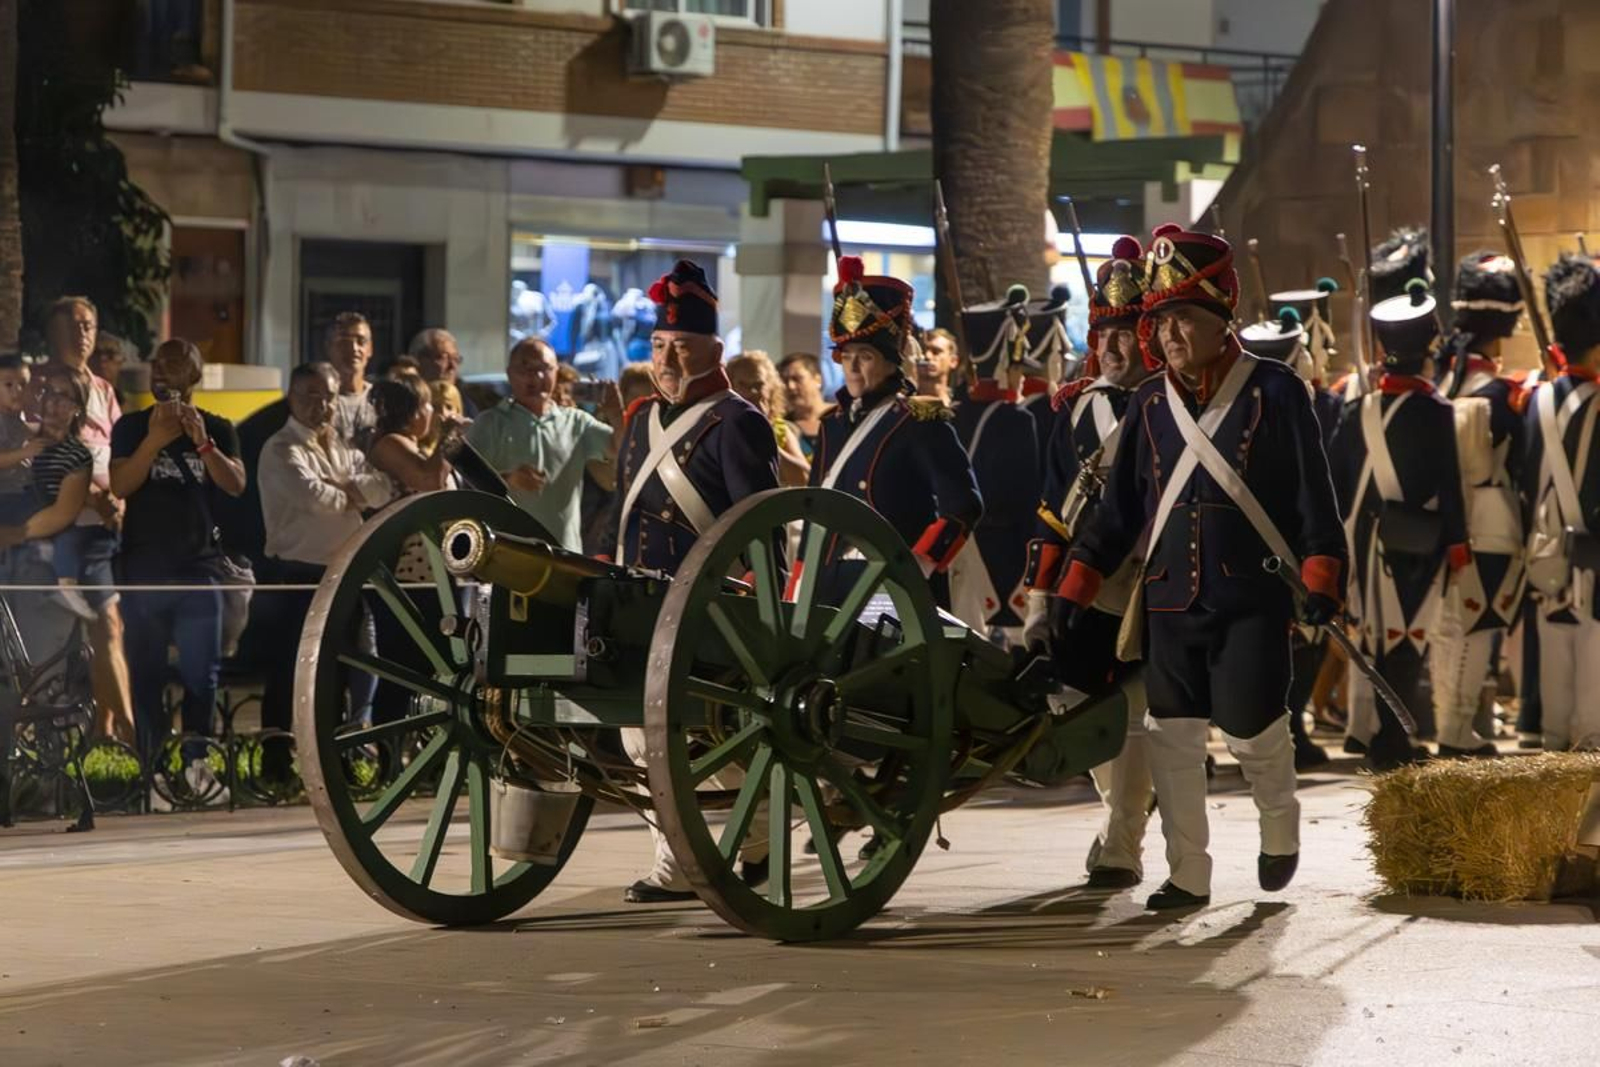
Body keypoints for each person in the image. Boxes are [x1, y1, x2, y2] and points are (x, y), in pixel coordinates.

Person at [1056, 223, 1347, 910]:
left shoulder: (1274, 390)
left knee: (1252, 727)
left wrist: (1321, 576)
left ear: (1222, 317)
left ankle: (1280, 825)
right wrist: (1078, 580)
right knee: (1172, 739)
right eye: (1161, 321)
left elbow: (1313, 494)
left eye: (1184, 318)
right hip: (1167, 600)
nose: (1168, 335)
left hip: (1250, 595)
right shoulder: (1151, 403)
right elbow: (1119, 509)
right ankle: (1188, 871)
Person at [608, 258, 778, 903]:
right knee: (641, 735)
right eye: (659, 346)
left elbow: (760, 524)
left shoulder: (736, 422)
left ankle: (695, 860)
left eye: (682, 346)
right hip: (640, 603)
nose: (668, 360)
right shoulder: (639, 421)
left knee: (663, 734)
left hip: (710, 608)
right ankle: (749, 839)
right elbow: (628, 516)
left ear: (714, 348)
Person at [1026, 235, 1156, 890]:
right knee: (1079, 702)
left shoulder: (1168, 406)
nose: (1114, 346)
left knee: (1133, 712)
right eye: (1105, 332)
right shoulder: (1072, 407)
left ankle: (1124, 841)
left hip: (1146, 582)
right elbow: (1052, 507)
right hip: (1082, 584)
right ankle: (1122, 814)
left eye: (1127, 331)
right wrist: (1038, 594)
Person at [1331, 279, 1469, 769]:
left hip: (1365, 542)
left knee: (1373, 638)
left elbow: (1339, 482)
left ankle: (1376, 734)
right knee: (1408, 639)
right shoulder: (1435, 411)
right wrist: (1458, 545)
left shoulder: (1356, 410)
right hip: (1418, 540)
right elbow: (1449, 486)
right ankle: (1392, 739)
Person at [109, 339, 247, 786]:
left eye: (172, 369)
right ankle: (152, 765)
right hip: (143, 569)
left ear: (193, 378)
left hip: (199, 567)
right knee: (145, 670)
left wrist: (202, 444)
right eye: (156, 369)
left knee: (199, 672)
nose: (162, 377)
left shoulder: (218, 427)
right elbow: (121, 485)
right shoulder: (131, 427)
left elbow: (236, 485)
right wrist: (155, 440)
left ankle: (196, 758)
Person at [811, 256, 983, 612]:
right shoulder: (831, 426)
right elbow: (816, 514)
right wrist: (800, 581)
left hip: (895, 590)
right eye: (847, 356)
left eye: (866, 356)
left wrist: (918, 566)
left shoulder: (919, 421)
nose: (853, 368)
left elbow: (963, 505)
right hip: (831, 586)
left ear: (892, 360)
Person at [256, 362, 394, 753]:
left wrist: (347, 488)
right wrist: (351, 493)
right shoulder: (281, 448)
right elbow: (315, 499)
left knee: (337, 670)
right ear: (291, 397)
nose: (320, 404)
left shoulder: (342, 445)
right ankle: (278, 759)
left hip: (342, 572)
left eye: (328, 395)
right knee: (288, 670)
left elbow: (382, 487)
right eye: (309, 394)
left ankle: (336, 758)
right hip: (297, 573)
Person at [1427, 252, 1528, 757]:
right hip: (1487, 519)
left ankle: (1455, 724)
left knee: (1450, 627)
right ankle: (1455, 730)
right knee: (1473, 626)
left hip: (1444, 517)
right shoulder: (1501, 393)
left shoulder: (1441, 382)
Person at [0, 365, 133, 743]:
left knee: (43, 672)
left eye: (64, 397)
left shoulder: (74, 454)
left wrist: (12, 534)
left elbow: (63, 512)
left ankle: (52, 773)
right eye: (47, 394)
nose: (53, 403)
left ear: (78, 408)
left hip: (39, 567)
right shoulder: (17, 437)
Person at [42, 297, 134, 740]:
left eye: (89, 325)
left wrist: (116, 498)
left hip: (101, 528)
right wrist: (97, 497)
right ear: (54, 331)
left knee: (105, 628)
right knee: (99, 627)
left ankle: (106, 729)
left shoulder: (102, 388)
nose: (83, 333)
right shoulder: (43, 385)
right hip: (60, 528)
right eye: (74, 325)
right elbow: (50, 453)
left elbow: (116, 452)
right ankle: (130, 736)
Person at [1521, 253, 1600, 752]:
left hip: (1547, 553)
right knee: (1595, 715)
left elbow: (1526, 477)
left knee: (1555, 692)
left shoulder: (1537, 400)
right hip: (1596, 557)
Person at [465, 338, 622, 555]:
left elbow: (622, 448)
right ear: (510, 374)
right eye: (525, 369)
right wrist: (508, 479)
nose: (536, 377)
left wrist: (615, 412)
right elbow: (465, 483)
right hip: (506, 555)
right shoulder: (490, 423)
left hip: (565, 555)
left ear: (556, 372)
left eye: (544, 369)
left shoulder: (577, 422)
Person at [946, 285, 1038, 638]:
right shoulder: (1016, 419)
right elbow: (1025, 500)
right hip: (1003, 559)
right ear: (1005, 360)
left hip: (956, 551)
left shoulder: (950, 409)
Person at [727, 351, 810, 488]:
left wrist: (764, 434)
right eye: (743, 385)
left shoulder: (781, 429)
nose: (752, 392)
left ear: (771, 387)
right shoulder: (721, 428)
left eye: (758, 385)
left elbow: (804, 478)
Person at [326, 311, 378, 451]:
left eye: (361, 341)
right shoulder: (317, 402)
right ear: (329, 347)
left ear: (370, 349)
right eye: (344, 342)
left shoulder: (381, 400)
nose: (354, 348)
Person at [0, 355, 42, 524]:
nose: (17, 391)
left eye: (23, 384)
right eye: (8, 385)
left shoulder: (21, 420)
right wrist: (25, 452)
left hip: (25, 491)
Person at [408, 327, 477, 417]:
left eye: (456, 358)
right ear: (418, 361)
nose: (452, 366)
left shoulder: (467, 405)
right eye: (443, 358)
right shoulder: (405, 404)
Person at [778, 351, 828, 460]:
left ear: (817, 379)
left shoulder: (842, 416)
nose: (790, 386)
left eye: (797, 379)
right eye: (785, 381)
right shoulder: (782, 426)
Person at [913, 327, 961, 403]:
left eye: (936, 351)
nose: (927, 356)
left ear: (953, 361)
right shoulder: (899, 407)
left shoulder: (961, 411)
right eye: (923, 350)